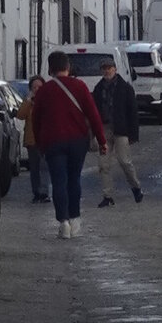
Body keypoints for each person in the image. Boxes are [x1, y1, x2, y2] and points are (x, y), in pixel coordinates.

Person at [27, 51, 107, 239]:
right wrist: (102, 141)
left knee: (58, 182)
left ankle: (63, 222)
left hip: (53, 142)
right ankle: (75, 218)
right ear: (68, 67)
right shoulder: (80, 87)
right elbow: (94, 115)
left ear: (50, 68)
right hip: (77, 141)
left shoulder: (44, 91)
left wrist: (40, 143)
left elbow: (36, 119)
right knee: (74, 179)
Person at [93, 54, 143, 206]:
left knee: (125, 161)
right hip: (104, 129)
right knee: (103, 165)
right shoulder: (98, 88)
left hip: (121, 129)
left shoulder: (125, 88)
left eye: (109, 68)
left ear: (115, 69)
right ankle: (107, 196)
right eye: (104, 69)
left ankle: (136, 187)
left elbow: (132, 112)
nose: (107, 71)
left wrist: (133, 133)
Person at [22, 73, 48, 201]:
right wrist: (28, 100)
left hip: (45, 139)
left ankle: (44, 192)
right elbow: (20, 115)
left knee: (44, 167)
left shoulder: (48, 101)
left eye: (39, 87)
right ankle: (36, 192)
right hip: (32, 140)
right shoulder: (28, 103)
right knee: (34, 168)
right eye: (34, 87)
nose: (37, 90)